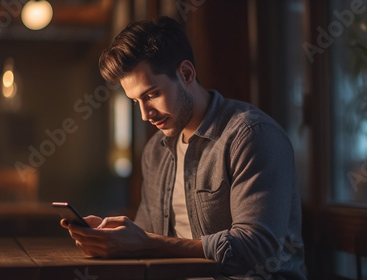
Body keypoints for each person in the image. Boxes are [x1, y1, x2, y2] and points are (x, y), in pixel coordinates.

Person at [61, 16, 306, 279]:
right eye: (135, 101)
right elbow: (147, 237)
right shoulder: (156, 151)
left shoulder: (250, 135)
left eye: (152, 94)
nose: (145, 115)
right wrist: (114, 239)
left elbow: (257, 250)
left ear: (187, 73)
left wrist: (145, 243)